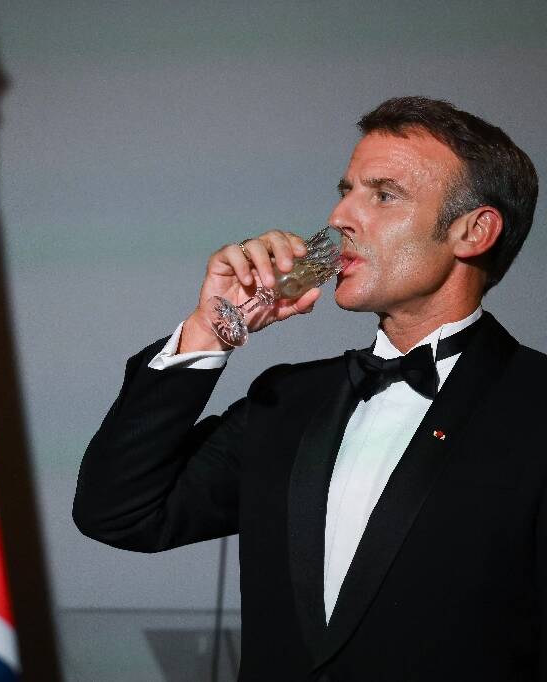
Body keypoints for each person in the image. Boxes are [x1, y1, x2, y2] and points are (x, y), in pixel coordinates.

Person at [74, 96, 541, 681]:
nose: (341, 215)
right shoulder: (287, 401)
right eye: (346, 189)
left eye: (383, 194)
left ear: (473, 231)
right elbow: (120, 513)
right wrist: (214, 328)